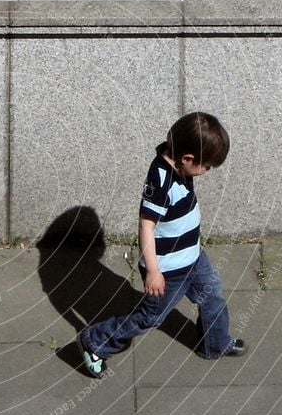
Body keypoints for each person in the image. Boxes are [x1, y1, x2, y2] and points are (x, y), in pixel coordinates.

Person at [78, 111, 247, 376]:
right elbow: (146, 225)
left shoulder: (179, 163)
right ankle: (95, 342)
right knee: (150, 317)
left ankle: (214, 343)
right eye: (207, 166)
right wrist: (154, 271)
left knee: (212, 293)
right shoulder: (161, 182)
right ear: (187, 159)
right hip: (168, 269)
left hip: (192, 257)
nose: (207, 171)